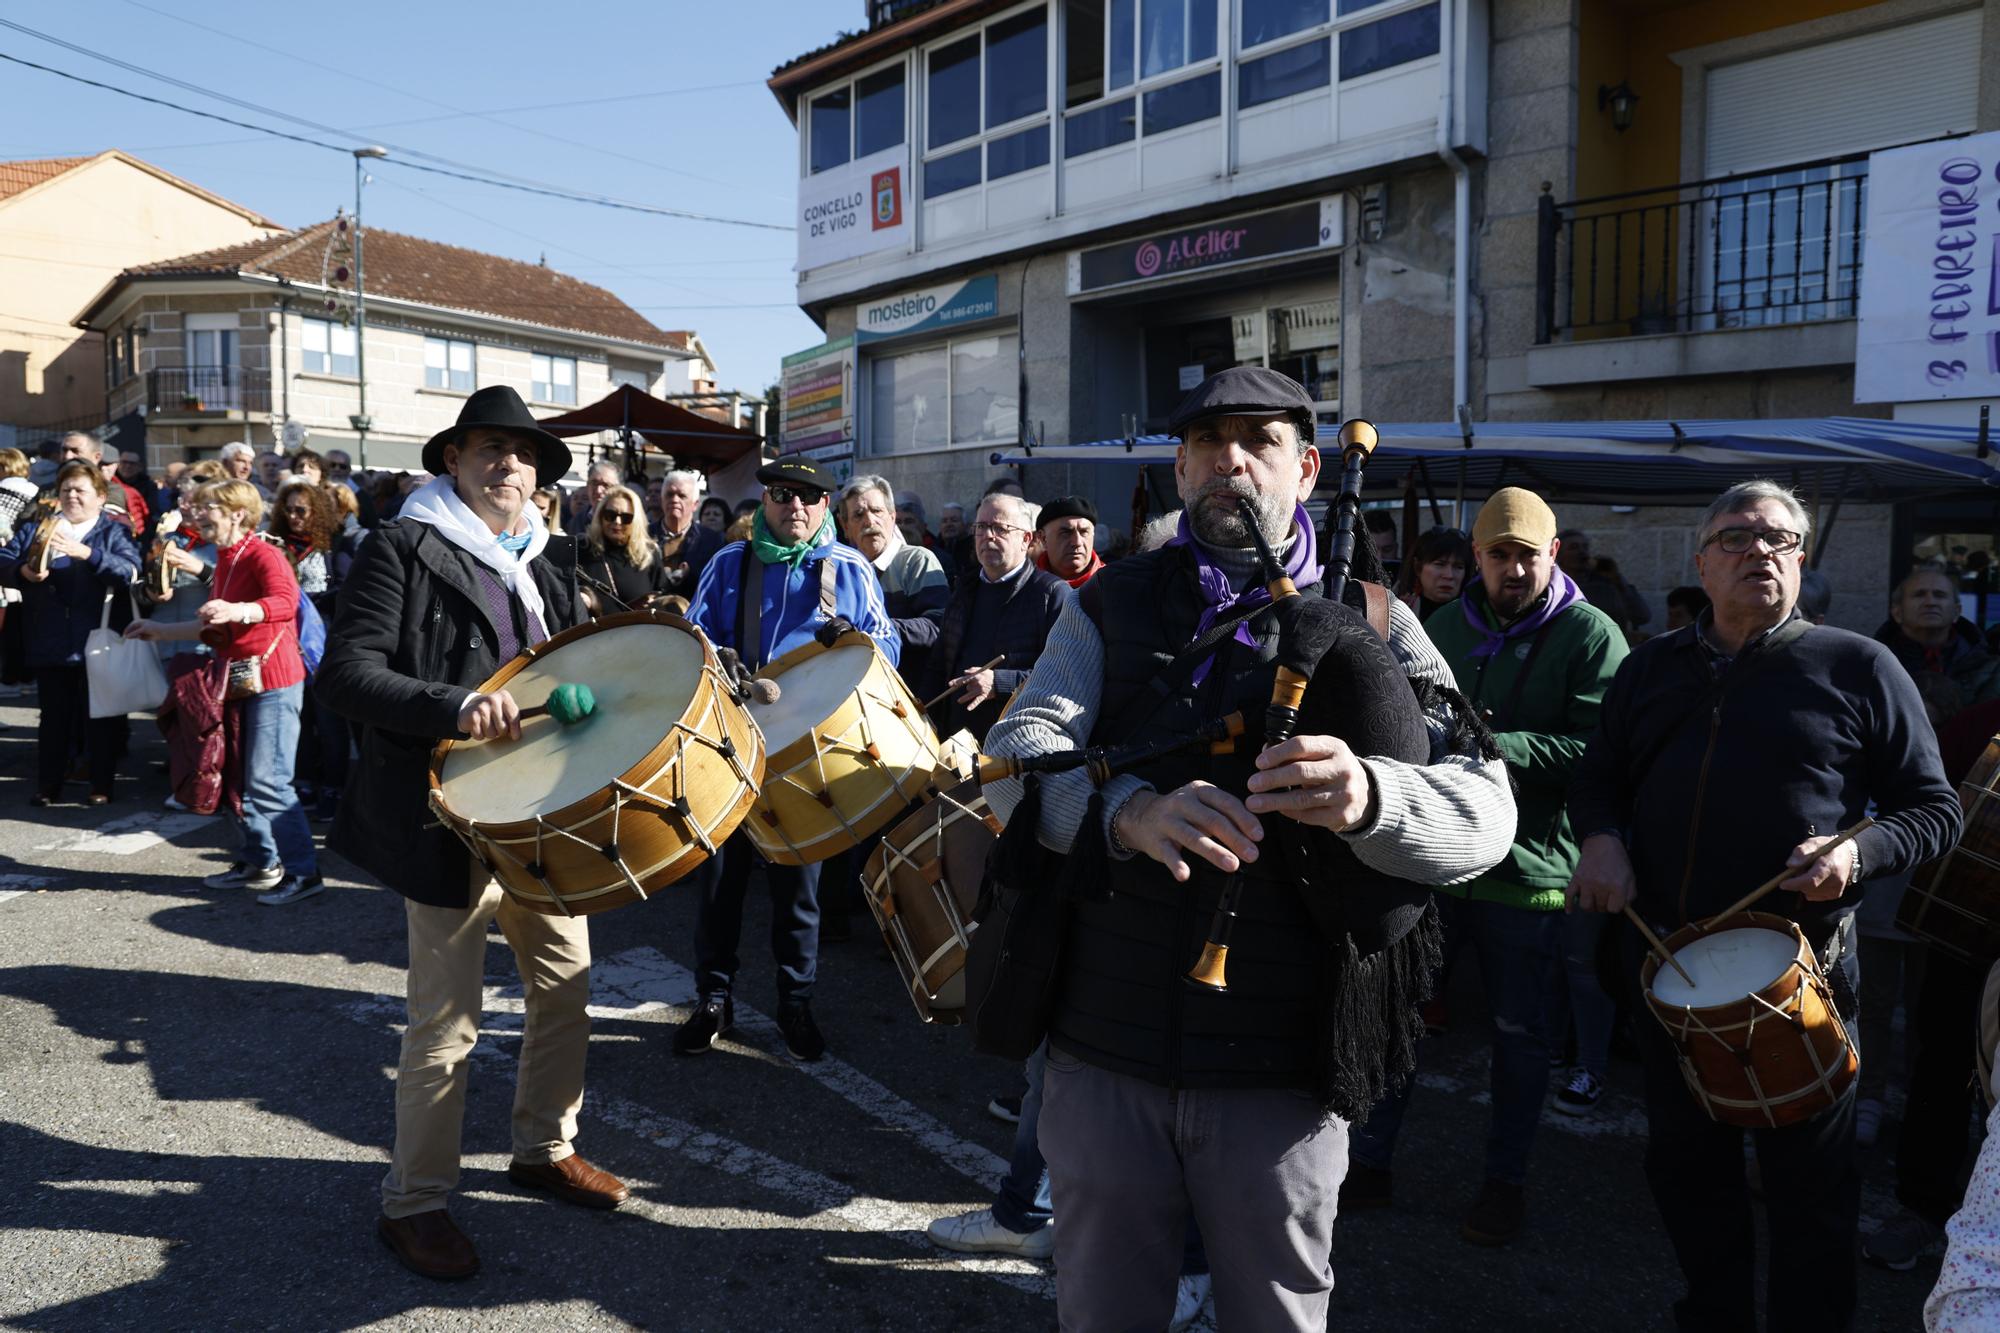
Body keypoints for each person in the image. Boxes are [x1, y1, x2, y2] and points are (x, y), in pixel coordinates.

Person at [970, 367, 1514, 1328]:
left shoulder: (1383, 619)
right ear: (1180, 469)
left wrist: (1373, 796)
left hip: (1286, 1069)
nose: (1232, 458)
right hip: (1105, 1050)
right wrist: (1125, 813)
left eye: (1259, 440)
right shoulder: (1104, 607)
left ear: (1306, 468)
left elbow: (1487, 810)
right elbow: (1015, 760)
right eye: (1209, 440)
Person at [1568, 479, 1962, 1333]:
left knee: (1810, 1194)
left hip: (1803, 977)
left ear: (1802, 558)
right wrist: (1601, 837)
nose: (1761, 551)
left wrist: (1857, 851)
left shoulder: (1859, 665)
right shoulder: (1649, 667)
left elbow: (1936, 809)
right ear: (1702, 562)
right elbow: (1597, 779)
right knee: (1687, 1173)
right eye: (1738, 537)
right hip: (1667, 962)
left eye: (1781, 538)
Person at [315, 385, 626, 1281]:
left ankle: (543, 1147)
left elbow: (575, 670)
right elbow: (346, 675)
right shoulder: (403, 544)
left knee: (566, 987)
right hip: (445, 815)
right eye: (490, 448)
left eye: (524, 454)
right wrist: (454, 706)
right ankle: (413, 1203)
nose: (510, 466)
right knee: (446, 1023)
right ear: (453, 459)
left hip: (544, 815)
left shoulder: (550, 558)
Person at [1347, 488, 1628, 1244]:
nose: (1512, 569)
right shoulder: (1440, 623)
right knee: (1398, 1021)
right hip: (1438, 865)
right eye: (1498, 555)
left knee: (1519, 1041)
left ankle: (1504, 1184)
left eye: (1526, 556)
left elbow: (1605, 752)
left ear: (1553, 555)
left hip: (1531, 878)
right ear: (1476, 557)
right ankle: (1370, 1163)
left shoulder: (1592, 634)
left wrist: (1493, 747)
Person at [676, 458, 898, 1064]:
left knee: (799, 893)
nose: (794, 506)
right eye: (781, 495)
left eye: (808, 497)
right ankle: (712, 1000)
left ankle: (794, 1002)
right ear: (765, 502)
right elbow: (694, 636)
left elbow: (888, 647)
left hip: (807, 759)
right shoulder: (729, 563)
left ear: (825, 507)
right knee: (719, 883)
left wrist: (856, 639)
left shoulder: (849, 568)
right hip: (730, 750)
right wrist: (718, 657)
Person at [123, 478, 321, 903]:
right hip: (239, 678)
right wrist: (159, 631)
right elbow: (215, 626)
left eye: (209, 506)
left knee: (269, 782)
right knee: (236, 777)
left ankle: (304, 872)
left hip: (274, 681)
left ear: (236, 512)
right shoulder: (228, 557)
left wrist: (238, 609)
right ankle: (260, 860)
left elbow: (285, 602)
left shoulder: (264, 553)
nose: (198, 513)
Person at [0, 460, 142, 805]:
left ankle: (101, 785)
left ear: (100, 496)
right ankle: (48, 785)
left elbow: (130, 571)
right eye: (66, 490)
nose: (72, 496)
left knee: (101, 717)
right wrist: (22, 572)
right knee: (53, 719)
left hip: (98, 640)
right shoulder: (39, 527)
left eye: (80, 490)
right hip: (49, 638)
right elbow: (3, 559)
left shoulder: (112, 530)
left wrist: (89, 555)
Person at [920, 493, 1066, 747]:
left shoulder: (1052, 594)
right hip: (954, 745)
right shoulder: (964, 590)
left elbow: (1063, 675)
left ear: (1026, 539)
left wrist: (999, 682)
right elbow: (938, 665)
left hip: (1017, 746)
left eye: (1000, 528)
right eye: (981, 527)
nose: (988, 536)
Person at [839, 474, 949, 687]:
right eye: (858, 515)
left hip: (910, 694)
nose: (869, 521)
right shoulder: (843, 570)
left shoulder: (916, 560)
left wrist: (874, 630)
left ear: (892, 516)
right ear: (845, 526)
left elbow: (938, 625)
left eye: (877, 511)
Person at [1879, 562, 2000, 707]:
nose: (1930, 602)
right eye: (1919, 595)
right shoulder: (1874, 664)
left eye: (1939, 595)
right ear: (1897, 612)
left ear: (1957, 612)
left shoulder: (1990, 667)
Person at [580, 485, 669, 613]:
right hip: (594, 630)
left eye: (626, 517)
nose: (617, 521)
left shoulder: (649, 554)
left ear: (636, 521)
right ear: (600, 516)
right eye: (610, 515)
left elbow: (663, 594)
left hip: (637, 630)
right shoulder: (583, 547)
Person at [1557, 528, 1651, 635]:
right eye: (1574, 547)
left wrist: (1618, 581)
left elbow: (1642, 616)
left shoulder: (1605, 582)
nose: (1582, 552)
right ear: (1558, 555)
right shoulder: (1555, 585)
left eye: (1585, 547)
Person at [654, 469, 723, 601]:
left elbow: (715, 584)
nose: (674, 499)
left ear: (695, 504)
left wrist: (689, 575)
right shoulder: (643, 535)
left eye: (682, 496)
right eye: (669, 494)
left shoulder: (712, 540)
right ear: (662, 500)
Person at [62, 432, 147, 538]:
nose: (68, 456)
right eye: (64, 450)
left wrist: (89, 553)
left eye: (76, 451)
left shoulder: (113, 490)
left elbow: (117, 531)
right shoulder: (47, 490)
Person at [1396, 526, 1472, 623]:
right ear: (1418, 567)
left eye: (1458, 567)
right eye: (1440, 564)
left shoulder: (1475, 616)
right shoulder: (1399, 613)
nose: (1449, 575)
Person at [1035, 496, 1104, 588]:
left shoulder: (1112, 585)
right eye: (1065, 533)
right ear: (1043, 538)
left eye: (1084, 532)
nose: (1077, 542)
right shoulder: (1025, 587)